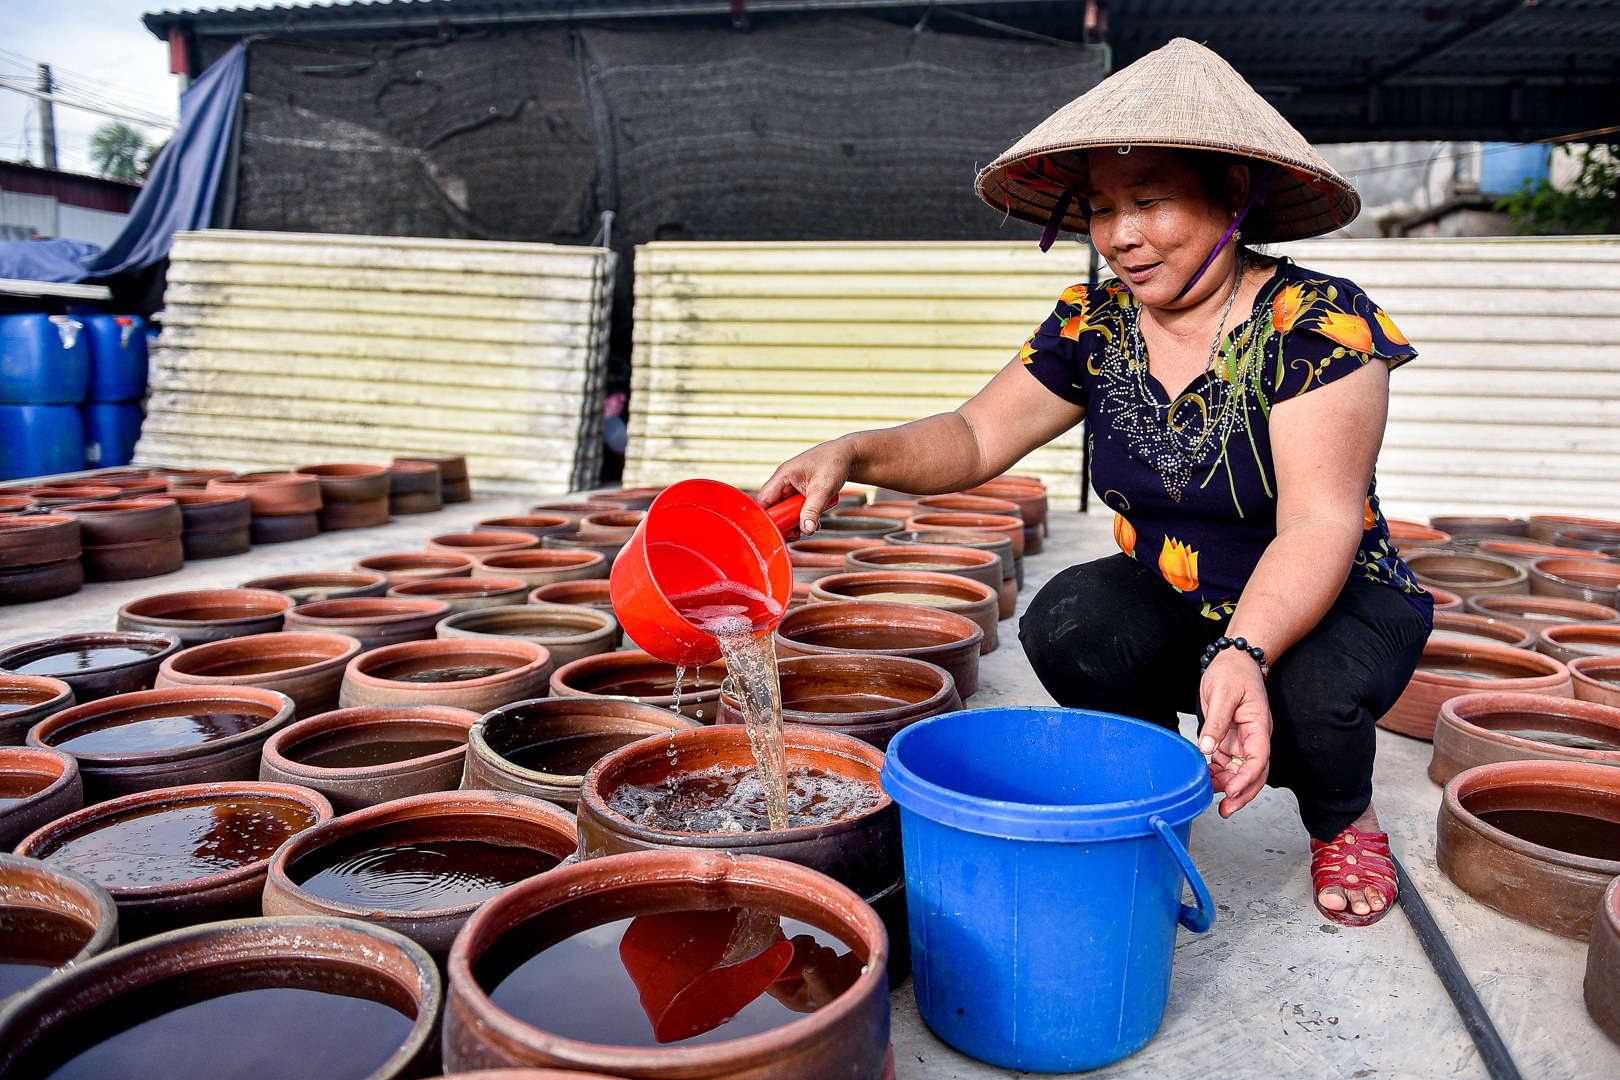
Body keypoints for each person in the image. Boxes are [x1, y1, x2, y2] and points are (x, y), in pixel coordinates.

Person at [757, 38, 1432, 927]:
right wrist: (855, 452)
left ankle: (1344, 818)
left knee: (1312, 700)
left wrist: (1244, 651)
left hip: (1332, 590)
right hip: (1178, 585)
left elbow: (1317, 522)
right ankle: (1155, 788)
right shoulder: (1094, 324)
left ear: (1232, 194)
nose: (1119, 236)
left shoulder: (1321, 325)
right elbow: (972, 435)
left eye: (1149, 201)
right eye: (1103, 208)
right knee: (1068, 619)